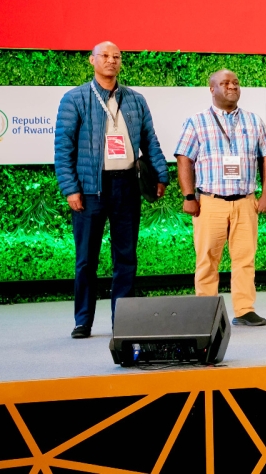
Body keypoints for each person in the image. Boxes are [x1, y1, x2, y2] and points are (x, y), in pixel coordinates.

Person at [55, 41, 169, 339]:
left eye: (116, 56)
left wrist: (161, 175)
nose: (111, 60)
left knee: (126, 256)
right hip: (91, 188)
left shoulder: (135, 100)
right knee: (85, 259)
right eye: (105, 56)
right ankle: (83, 320)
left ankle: (124, 320)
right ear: (92, 60)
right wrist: (71, 189)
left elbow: (150, 141)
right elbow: (63, 149)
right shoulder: (75, 98)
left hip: (126, 185)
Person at [174, 70, 266, 327]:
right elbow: (184, 158)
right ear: (212, 89)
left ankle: (244, 310)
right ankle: (206, 312)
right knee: (207, 258)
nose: (232, 87)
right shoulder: (196, 122)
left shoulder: (254, 121)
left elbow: (265, 157)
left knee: (245, 258)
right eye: (225, 83)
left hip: (245, 201)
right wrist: (189, 196)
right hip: (210, 201)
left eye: (235, 83)